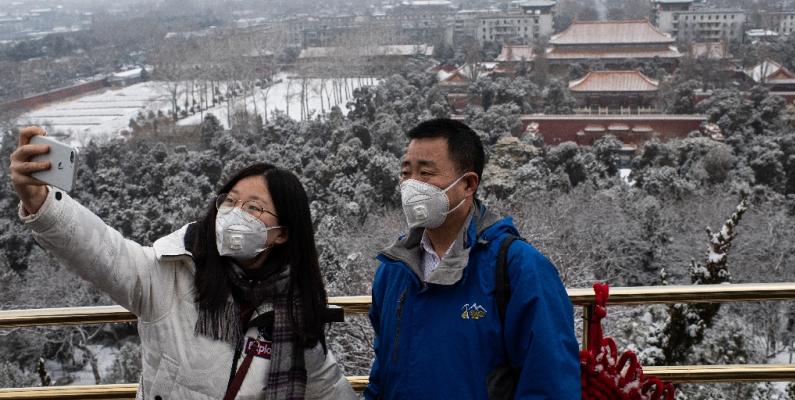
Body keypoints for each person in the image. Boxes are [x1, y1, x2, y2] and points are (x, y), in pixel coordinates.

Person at [9, 126, 357, 400]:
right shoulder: (171, 273)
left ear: (282, 233)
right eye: (230, 201)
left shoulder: (296, 309)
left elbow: (327, 387)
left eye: (253, 208)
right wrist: (44, 204)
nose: (235, 215)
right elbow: (104, 252)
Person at [365, 118, 579, 400]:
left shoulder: (518, 268)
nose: (411, 185)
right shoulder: (393, 270)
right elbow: (382, 373)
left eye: (425, 173)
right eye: (406, 173)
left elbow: (550, 383)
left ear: (468, 183)